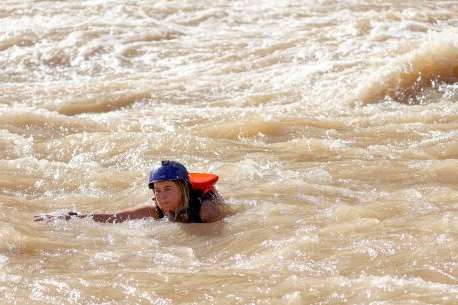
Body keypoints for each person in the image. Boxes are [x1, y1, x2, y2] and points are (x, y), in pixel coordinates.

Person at [34, 160, 226, 223]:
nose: (162, 196)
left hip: (204, 198)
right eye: (157, 190)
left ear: (183, 188)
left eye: (168, 189)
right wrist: (72, 216)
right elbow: (116, 218)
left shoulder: (206, 212)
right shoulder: (155, 209)